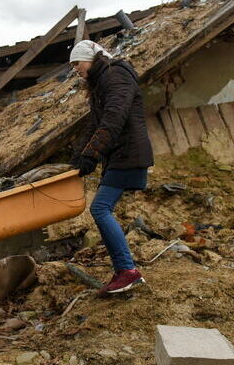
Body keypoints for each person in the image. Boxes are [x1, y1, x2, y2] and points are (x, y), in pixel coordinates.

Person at [69, 40, 154, 296]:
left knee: (100, 207)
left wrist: (93, 155)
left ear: (90, 59)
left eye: (77, 63)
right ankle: (122, 271)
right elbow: (95, 123)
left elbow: (113, 118)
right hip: (120, 153)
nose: (75, 69)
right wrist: (79, 156)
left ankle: (127, 271)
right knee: (102, 208)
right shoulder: (101, 82)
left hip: (129, 152)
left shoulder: (116, 75)